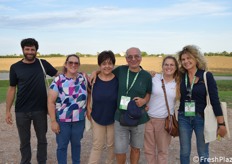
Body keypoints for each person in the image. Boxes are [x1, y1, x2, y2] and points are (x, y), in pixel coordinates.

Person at [5, 38, 58, 164]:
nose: (30, 52)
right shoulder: (15, 67)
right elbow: (12, 89)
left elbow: (59, 75)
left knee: (42, 139)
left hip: (40, 109)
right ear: (23, 50)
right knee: (24, 141)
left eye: (32, 49)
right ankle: (25, 162)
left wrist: (79, 74)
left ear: (36, 51)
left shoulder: (42, 63)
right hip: (21, 111)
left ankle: (42, 161)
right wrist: (7, 111)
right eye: (27, 49)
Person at [177, 45, 227, 164]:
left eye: (189, 58)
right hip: (183, 117)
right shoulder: (180, 76)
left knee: (203, 152)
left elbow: (215, 100)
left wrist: (221, 123)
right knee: (184, 152)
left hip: (201, 118)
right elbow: (165, 73)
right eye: (183, 59)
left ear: (196, 59)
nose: (186, 61)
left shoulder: (206, 76)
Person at [113, 47, 152, 164]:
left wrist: (144, 101)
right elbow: (105, 73)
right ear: (126, 59)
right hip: (120, 117)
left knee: (135, 148)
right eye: (130, 57)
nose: (133, 59)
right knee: (120, 150)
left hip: (138, 118)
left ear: (141, 58)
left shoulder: (146, 76)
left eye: (136, 56)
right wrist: (95, 72)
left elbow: (149, 92)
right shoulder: (120, 70)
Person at [47, 54, 88, 164]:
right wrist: (53, 121)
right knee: (62, 147)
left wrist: (96, 72)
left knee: (76, 145)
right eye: (70, 62)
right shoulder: (58, 80)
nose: (73, 65)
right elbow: (50, 102)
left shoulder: (83, 79)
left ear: (79, 65)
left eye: (76, 63)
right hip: (62, 121)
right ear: (66, 64)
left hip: (79, 121)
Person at [144, 56, 180, 164]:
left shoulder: (178, 83)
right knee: (149, 150)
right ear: (162, 66)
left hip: (165, 120)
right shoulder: (154, 78)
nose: (169, 67)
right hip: (148, 119)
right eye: (166, 64)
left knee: (162, 151)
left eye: (172, 65)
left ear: (176, 67)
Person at [87, 50, 118, 164]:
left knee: (111, 145)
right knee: (97, 145)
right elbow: (89, 93)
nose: (107, 66)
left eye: (110, 63)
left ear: (113, 64)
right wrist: (88, 108)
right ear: (99, 65)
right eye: (104, 63)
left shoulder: (117, 79)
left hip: (114, 118)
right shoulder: (93, 79)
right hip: (97, 116)